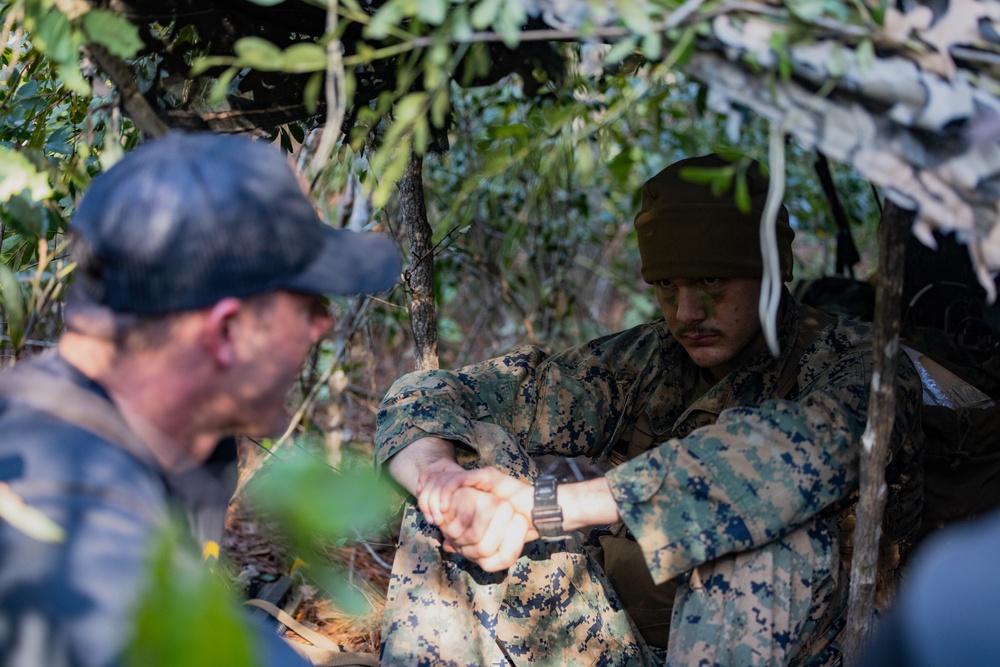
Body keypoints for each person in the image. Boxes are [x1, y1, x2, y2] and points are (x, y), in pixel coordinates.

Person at [374, 154, 923, 666]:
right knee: (459, 493)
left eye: (712, 281)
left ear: (773, 273)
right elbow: (436, 393)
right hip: (630, 642)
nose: (687, 312)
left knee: (759, 542)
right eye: (666, 285)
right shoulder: (646, 358)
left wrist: (548, 504)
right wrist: (440, 480)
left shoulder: (860, 365)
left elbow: (772, 462)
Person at [0, 131, 400, 667]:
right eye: (307, 303)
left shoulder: (168, 444)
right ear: (227, 332)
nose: (322, 325)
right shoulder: (68, 528)